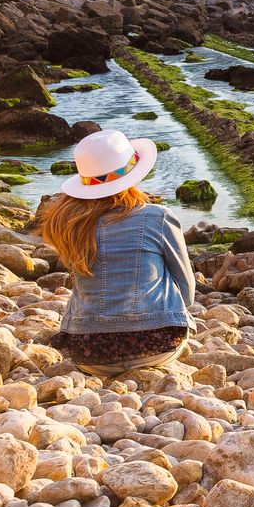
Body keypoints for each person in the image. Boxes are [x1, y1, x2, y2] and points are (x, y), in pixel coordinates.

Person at [36, 129, 196, 375]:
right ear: (133, 173)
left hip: (88, 353)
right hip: (157, 346)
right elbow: (186, 294)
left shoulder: (69, 224)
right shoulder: (158, 217)